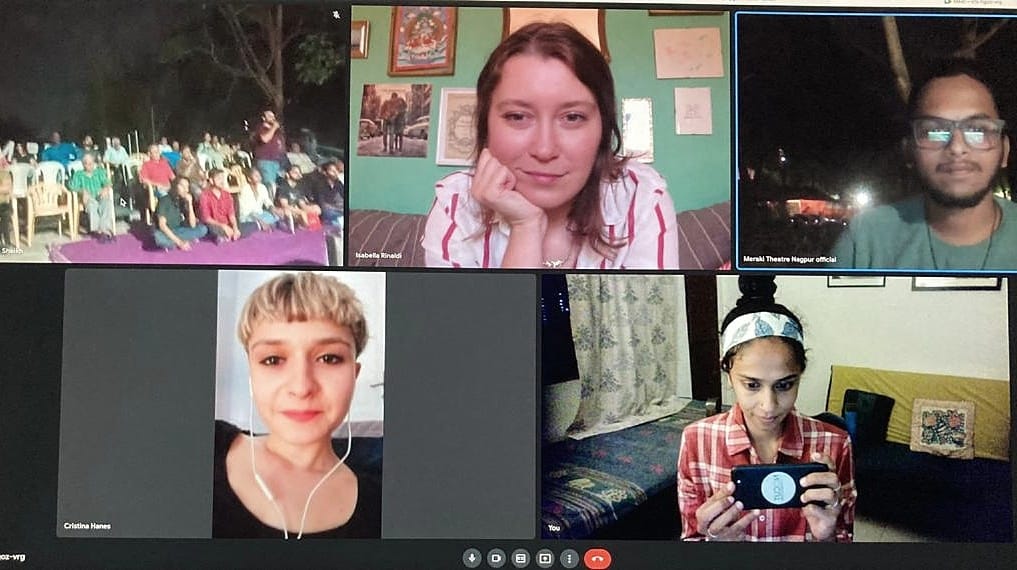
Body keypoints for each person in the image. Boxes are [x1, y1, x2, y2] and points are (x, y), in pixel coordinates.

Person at [421, 23, 679, 269]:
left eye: (572, 117)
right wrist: (526, 227)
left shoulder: (639, 197)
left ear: (603, 127)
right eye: (517, 117)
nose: (544, 150)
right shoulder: (456, 204)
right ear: (486, 125)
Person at [677, 276, 855, 542]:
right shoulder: (696, 441)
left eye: (784, 385)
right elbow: (691, 540)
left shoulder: (835, 444)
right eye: (751, 384)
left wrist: (827, 537)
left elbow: (845, 543)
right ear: (728, 372)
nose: (769, 406)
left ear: (800, 373)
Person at [213, 272, 381, 538]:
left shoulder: (381, 507)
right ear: (251, 371)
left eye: (328, 358)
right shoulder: (206, 447)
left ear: (354, 374)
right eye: (273, 360)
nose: (301, 387)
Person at [831, 59, 1017, 270]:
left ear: (1005, 151)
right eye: (934, 131)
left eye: (978, 130)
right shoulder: (866, 240)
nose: (957, 147)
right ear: (908, 151)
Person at [68, 153, 116, 242]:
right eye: (86, 163)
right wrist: (82, 191)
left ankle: (105, 231)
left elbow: (107, 182)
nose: (89, 166)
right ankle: (99, 231)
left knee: (107, 202)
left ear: (94, 163)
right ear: (83, 164)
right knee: (92, 204)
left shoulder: (99, 172)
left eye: (91, 163)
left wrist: (105, 188)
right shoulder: (79, 174)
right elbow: (72, 186)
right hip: (88, 198)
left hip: (99, 195)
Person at [153, 177, 208, 250]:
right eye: (183, 186)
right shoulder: (164, 200)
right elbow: (162, 225)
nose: (186, 190)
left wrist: (190, 204)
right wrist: (179, 242)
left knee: (203, 229)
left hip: (179, 230)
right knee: (158, 237)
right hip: (165, 232)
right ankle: (178, 241)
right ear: (175, 186)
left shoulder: (183, 201)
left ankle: (172, 243)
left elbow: (193, 225)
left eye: (187, 187)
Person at [276, 164, 321, 230]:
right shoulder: (283, 186)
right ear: (287, 174)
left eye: (299, 172)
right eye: (295, 172)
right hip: (285, 209)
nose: (298, 175)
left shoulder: (299, 186)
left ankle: (301, 223)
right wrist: (300, 212)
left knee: (317, 209)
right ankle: (301, 224)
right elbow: (284, 205)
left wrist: (309, 209)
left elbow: (302, 204)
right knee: (289, 212)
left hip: (296, 208)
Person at [252, 109, 286, 195]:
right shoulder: (262, 127)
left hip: (277, 162)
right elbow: (264, 139)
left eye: (273, 116)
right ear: (264, 118)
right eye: (269, 116)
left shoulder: (277, 132)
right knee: (269, 186)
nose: (273, 118)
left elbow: (281, 146)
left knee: (279, 186)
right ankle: (269, 206)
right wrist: (274, 127)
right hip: (265, 161)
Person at [309, 160, 344, 226]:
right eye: (332, 170)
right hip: (327, 210)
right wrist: (336, 208)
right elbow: (322, 204)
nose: (335, 172)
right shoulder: (319, 184)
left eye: (336, 170)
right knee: (327, 212)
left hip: (338, 208)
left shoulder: (338, 182)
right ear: (325, 172)